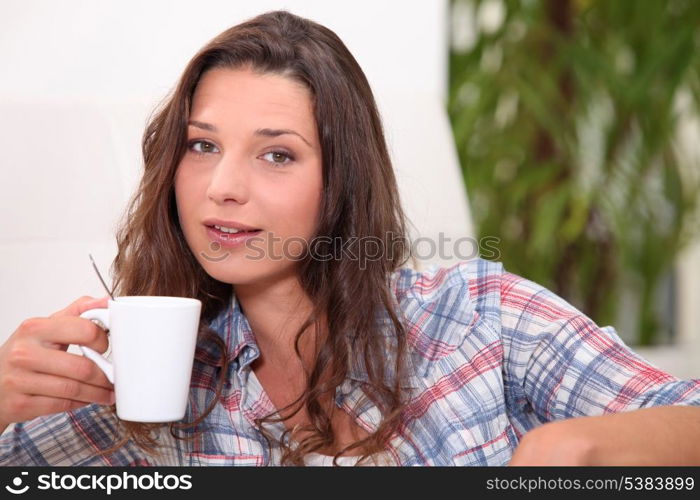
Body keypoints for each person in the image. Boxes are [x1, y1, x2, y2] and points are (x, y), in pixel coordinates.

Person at [1, 10, 699, 467]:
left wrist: (571, 449)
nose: (222, 188)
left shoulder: (479, 318)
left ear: (342, 181)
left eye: (276, 154)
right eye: (202, 146)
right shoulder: (162, 379)